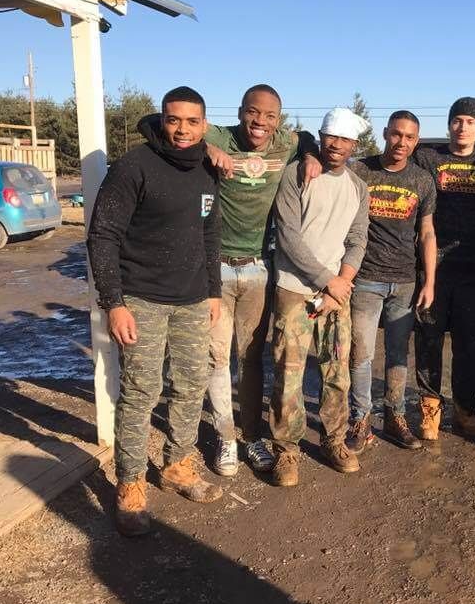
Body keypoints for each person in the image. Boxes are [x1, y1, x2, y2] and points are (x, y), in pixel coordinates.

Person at [139, 85, 318, 477]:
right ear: (240, 112)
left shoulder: (284, 142)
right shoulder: (217, 135)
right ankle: (225, 437)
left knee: (250, 357)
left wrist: (309, 154)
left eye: (270, 116)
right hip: (215, 266)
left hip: (258, 268)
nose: (261, 122)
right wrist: (207, 148)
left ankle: (251, 436)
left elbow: (306, 138)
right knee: (217, 357)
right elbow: (151, 124)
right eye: (254, 113)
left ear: (278, 120)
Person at [87, 86, 223, 537]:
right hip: (141, 301)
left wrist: (214, 292)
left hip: (191, 301)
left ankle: (178, 466)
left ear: (204, 125)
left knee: (190, 386)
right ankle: (130, 483)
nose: (182, 130)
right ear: (161, 120)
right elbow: (102, 235)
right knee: (141, 392)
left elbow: (209, 235)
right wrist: (114, 303)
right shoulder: (134, 167)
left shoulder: (207, 168)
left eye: (191, 121)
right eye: (173, 119)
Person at [269, 107, 370, 487]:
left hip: (337, 292)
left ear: (354, 144)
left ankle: (334, 440)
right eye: (331, 137)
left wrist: (342, 280)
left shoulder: (357, 186)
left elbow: (358, 238)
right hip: (295, 289)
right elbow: (289, 236)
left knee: (337, 371)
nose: (336, 145)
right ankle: (287, 450)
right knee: (289, 373)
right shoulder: (297, 175)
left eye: (344, 140)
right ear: (321, 137)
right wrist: (328, 280)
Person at [345, 111, 437, 454]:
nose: (402, 142)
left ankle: (395, 417)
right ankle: (360, 420)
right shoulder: (361, 170)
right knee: (361, 353)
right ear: (385, 133)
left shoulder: (422, 181)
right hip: (365, 277)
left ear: (416, 140)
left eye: (409, 137)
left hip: (404, 281)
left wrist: (429, 281)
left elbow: (427, 232)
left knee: (398, 355)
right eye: (396, 134)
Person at [413, 97, 475, 440]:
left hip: (473, 268)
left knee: (469, 344)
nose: (463, 127)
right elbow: (390, 161)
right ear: (449, 124)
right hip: (432, 266)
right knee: (428, 340)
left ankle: (466, 411)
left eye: (470, 121)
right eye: (457, 120)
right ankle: (430, 409)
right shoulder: (428, 158)